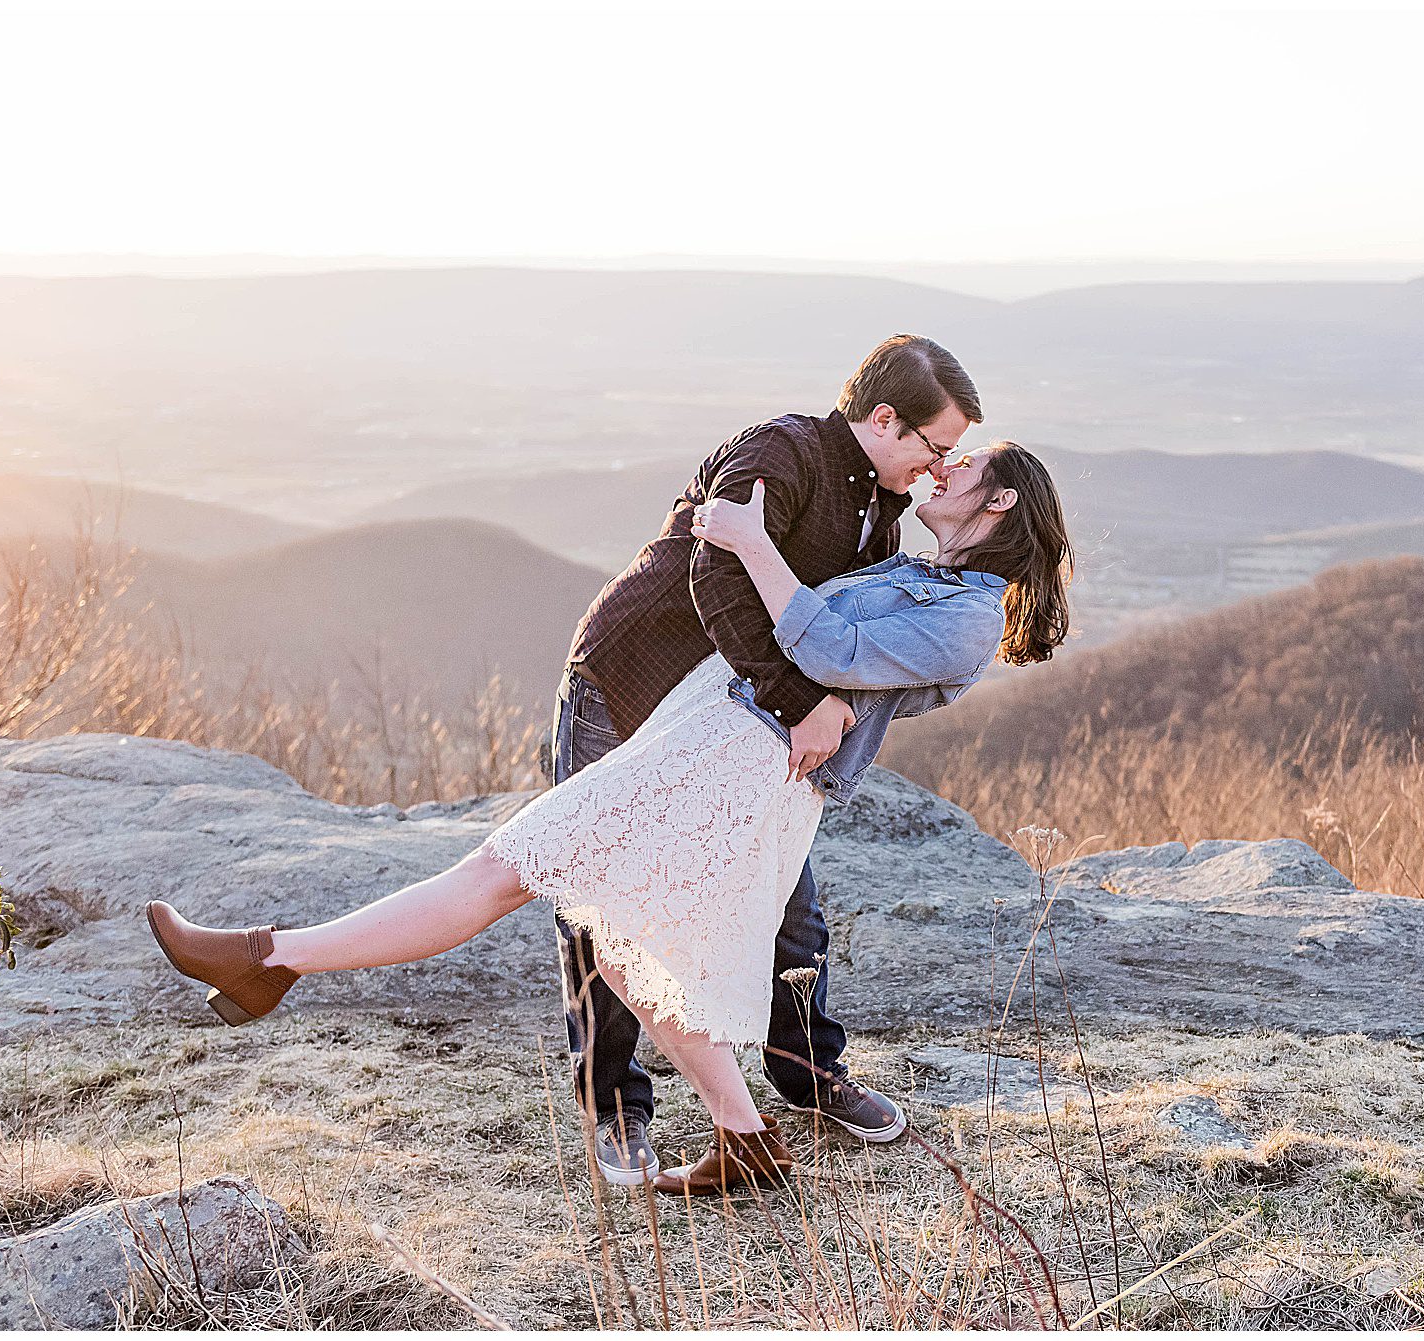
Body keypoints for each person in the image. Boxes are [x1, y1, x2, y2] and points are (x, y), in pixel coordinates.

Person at [146, 439, 1074, 1196]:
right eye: (940, 451)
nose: (941, 471)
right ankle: (745, 1140)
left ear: (997, 507)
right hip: (711, 741)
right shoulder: (923, 571)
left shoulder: (968, 616)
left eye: (963, 466)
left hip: (736, 767)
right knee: (612, 936)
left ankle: (269, 958)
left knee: (515, 873)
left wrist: (750, 541)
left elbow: (823, 641)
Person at [547, 334, 982, 1185]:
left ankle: (811, 1075)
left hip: (720, 725)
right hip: (624, 689)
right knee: (601, 905)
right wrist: (800, 703)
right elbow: (719, 579)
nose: (939, 469)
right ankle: (617, 1108)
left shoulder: (881, 511)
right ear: (884, 419)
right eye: (935, 448)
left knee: (789, 902)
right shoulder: (779, 453)